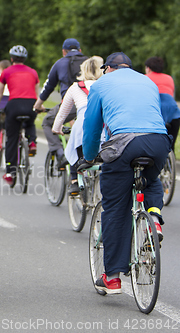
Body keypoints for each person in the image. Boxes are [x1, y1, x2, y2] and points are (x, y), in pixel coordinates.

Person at [82, 52, 171, 294]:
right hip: (159, 141)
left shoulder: (101, 85)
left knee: (115, 207)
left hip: (124, 143)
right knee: (150, 177)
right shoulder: (148, 81)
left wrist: (89, 156)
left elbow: (91, 127)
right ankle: (154, 217)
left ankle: (111, 277)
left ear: (108, 68)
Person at [52, 56, 104, 195]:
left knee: (75, 148)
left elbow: (63, 113)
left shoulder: (75, 87)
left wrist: (57, 128)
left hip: (83, 129)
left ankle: (75, 180)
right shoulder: (107, 86)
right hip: (104, 131)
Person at [33, 38, 88, 167]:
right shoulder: (89, 62)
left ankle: (60, 153)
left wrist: (38, 105)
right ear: (80, 50)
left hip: (71, 105)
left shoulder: (60, 63)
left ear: (64, 51)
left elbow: (49, 87)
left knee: (47, 122)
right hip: (92, 104)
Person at [0, 46, 39, 187]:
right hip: (30, 104)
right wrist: (38, 107)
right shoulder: (33, 72)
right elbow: (37, 94)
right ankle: (32, 142)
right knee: (30, 123)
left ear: (11, 59)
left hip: (14, 105)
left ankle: (10, 172)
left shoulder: (6, 72)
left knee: (11, 138)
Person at [145, 56, 180, 148]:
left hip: (155, 113)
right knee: (170, 146)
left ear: (148, 68)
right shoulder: (169, 78)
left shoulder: (145, 78)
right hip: (174, 114)